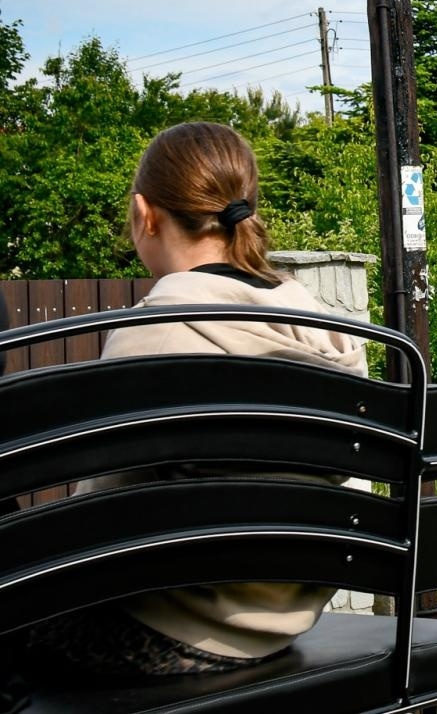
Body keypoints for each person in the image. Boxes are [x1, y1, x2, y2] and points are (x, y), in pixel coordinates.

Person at [18, 121, 369, 678]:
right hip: (282, 622)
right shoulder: (330, 335)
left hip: (159, 631)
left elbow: (94, 520)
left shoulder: (155, 337)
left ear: (145, 214)